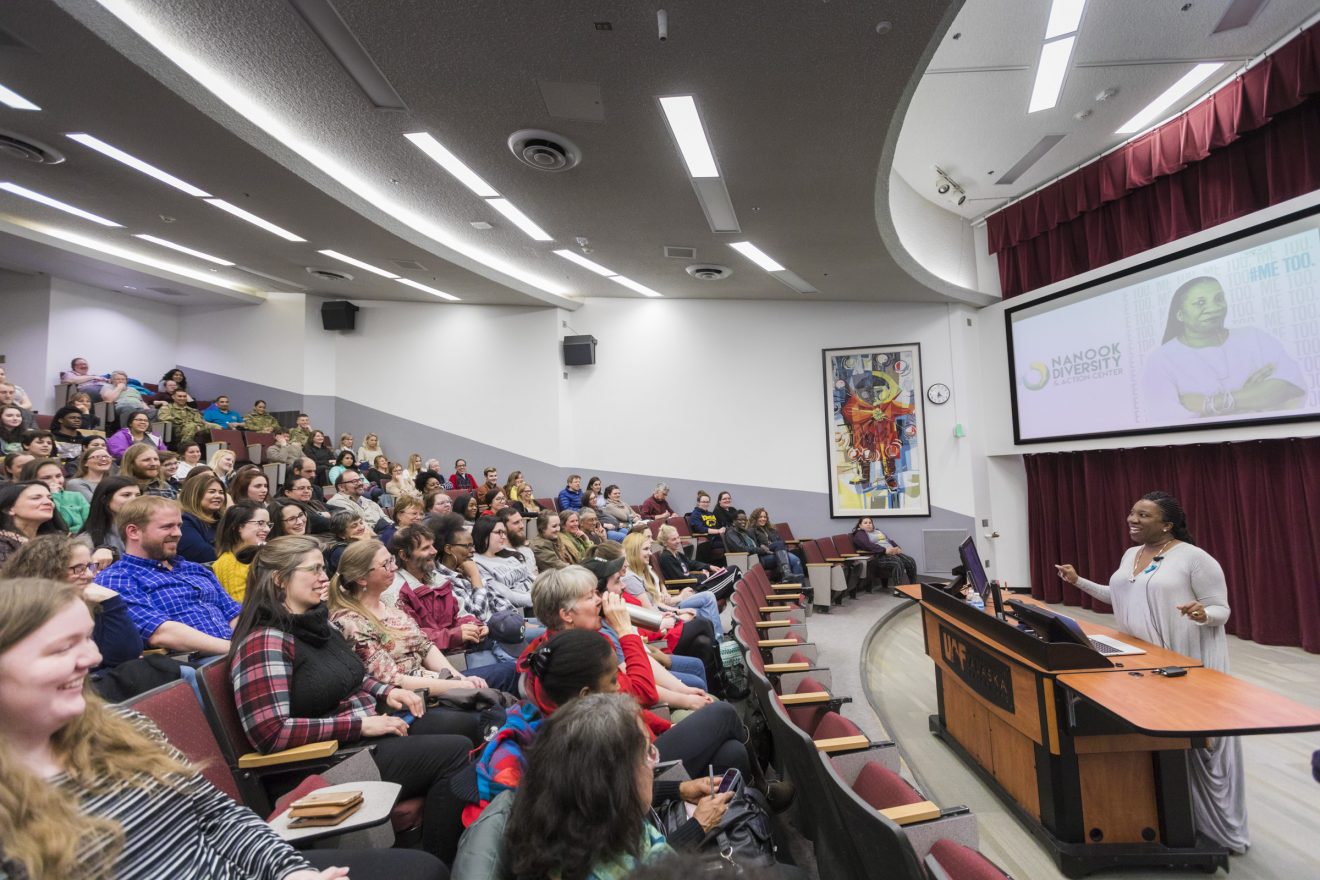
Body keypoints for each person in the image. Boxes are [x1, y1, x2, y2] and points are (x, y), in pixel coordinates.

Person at [0, 577, 441, 880]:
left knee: (423, 871)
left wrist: (290, 871)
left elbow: (220, 816)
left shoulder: (122, 728)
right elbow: (271, 731)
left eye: (86, 641)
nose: (93, 659)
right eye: (61, 649)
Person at [227, 536, 472, 869]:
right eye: (312, 570)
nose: (323, 578)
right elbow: (270, 733)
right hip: (325, 763)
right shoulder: (265, 641)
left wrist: (386, 692)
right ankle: (436, 860)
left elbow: (352, 675)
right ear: (279, 579)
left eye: (322, 569)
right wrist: (359, 724)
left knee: (467, 726)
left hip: (364, 735)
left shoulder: (318, 624)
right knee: (456, 750)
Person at [1056, 491, 1246, 853]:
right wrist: (1079, 581)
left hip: (1184, 663)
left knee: (1197, 746)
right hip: (1141, 662)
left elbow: (1221, 608)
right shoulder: (1132, 554)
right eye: (1132, 513)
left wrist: (1203, 614)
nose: (1132, 519)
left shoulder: (1194, 559)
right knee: (1159, 743)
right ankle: (1167, 816)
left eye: (1143, 515)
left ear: (1167, 524)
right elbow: (1120, 597)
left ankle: (1212, 831)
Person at [526, 567, 753, 775]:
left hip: (636, 736)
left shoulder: (585, 641)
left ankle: (752, 797)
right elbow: (643, 694)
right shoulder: (573, 660)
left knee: (732, 753)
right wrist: (626, 631)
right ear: (567, 614)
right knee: (723, 712)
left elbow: (626, 704)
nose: (600, 600)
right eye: (590, 596)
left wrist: (669, 723)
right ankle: (761, 785)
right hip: (627, 764)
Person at [329, 539, 508, 744]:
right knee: (486, 716)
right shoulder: (350, 621)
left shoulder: (390, 604)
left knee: (506, 677)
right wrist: (458, 685)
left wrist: (458, 678)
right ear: (362, 578)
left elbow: (425, 646)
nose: (394, 567)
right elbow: (394, 680)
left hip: (434, 681)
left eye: (392, 560)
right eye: (386, 564)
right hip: (406, 703)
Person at [1141, 276, 1307, 423]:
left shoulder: (1254, 337)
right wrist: (1255, 398)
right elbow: (1170, 424)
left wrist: (1211, 404)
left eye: (1219, 298)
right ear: (1180, 315)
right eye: (1200, 302)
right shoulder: (1161, 359)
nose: (1214, 308)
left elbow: (1292, 388)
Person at [95, 496, 241, 656]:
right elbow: (160, 633)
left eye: (179, 526)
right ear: (133, 532)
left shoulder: (194, 569)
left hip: (232, 652)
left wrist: (245, 644)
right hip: (189, 663)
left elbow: (234, 613)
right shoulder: (117, 578)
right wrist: (235, 649)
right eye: (167, 527)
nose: (178, 533)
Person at [623, 531, 722, 638]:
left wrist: (678, 611)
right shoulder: (631, 578)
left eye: (649, 549)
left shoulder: (644, 570)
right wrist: (677, 613)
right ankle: (717, 641)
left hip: (664, 610)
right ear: (634, 552)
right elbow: (650, 612)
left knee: (705, 606)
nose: (650, 553)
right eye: (646, 549)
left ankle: (716, 642)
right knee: (705, 608)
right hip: (660, 620)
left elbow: (655, 602)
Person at [657, 524, 738, 601]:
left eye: (678, 537)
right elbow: (681, 578)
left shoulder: (676, 553)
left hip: (698, 583)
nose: (678, 541)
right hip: (696, 591)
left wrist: (708, 566)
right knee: (734, 571)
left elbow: (691, 563)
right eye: (674, 539)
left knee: (732, 569)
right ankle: (740, 607)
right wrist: (703, 576)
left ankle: (739, 605)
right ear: (665, 543)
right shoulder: (666, 557)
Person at [473, 513, 536, 610]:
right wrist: (542, 600)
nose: (504, 537)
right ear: (484, 534)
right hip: (525, 609)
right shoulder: (477, 563)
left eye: (504, 533)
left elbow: (532, 578)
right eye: (499, 532)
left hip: (538, 597)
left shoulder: (511, 553)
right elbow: (508, 596)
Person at [212, 500, 272, 601]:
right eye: (260, 523)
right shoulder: (228, 564)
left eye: (268, 524)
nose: (267, 529)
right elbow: (242, 609)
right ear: (239, 527)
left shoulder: (265, 554)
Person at [0, 481, 65, 567]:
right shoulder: (3, 543)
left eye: (50, 498)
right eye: (36, 498)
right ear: (9, 509)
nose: (48, 502)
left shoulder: (57, 538)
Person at [78, 476, 140, 566]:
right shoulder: (86, 541)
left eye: (138, 495)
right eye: (126, 495)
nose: (134, 500)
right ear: (105, 499)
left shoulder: (148, 530)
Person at [22, 457, 90, 532]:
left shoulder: (76, 496)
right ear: (32, 480)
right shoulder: (28, 500)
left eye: (58, 476)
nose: (56, 481)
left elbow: (90, 523)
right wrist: (55, 496)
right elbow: (56, 525)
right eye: (47, 478)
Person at [851, 515, 916, 587]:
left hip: (892, 552)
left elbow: (889, 540)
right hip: (879, 555)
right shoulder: (860, 534)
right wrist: (884, 550)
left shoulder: (878, 531)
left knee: (910, 561)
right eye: (865, 523)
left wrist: (897, 548)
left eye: (870, 522)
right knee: (897, 562)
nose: (868, 524)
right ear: (860, 525)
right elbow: (867, 545)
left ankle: (913, 586)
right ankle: (898, 590)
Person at [177, 471, 227, 563]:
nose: (218, 496)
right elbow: (204, 554)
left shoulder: (224, 520)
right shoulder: (185, 521)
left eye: (221, 492)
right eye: (212, 492)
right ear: (195, 494)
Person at [748, 507, 805, 582]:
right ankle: (787, 575)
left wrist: (777, 547)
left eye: (765, 517)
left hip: (777, 553)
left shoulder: (770, 529)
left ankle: (801, 587)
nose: (763, 519)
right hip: (763, 557)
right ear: (755, 518)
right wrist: (767, 548)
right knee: (781, 548)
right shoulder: (751, 530)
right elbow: (754, 547)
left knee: (795, 559)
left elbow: (780, 542)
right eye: (760, 517)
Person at [323, 510, 368, 577]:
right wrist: (367, 544)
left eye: (361, 523)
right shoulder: (340, 552)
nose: (361, 527)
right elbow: (364, 573)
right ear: (341, 534)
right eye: (354, 526)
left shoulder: (358, 543)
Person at [687, 490, 727, 565]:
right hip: (708, 539)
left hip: (718, 538)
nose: (706, 504)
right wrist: (718, 531)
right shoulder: (695, 514)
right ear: (698, 503)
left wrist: (723, 529)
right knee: (729, 544)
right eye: (703, 502)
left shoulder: (711, 514)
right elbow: (701, 529)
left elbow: (718, 526)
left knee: (731, 541)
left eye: (707, 502)